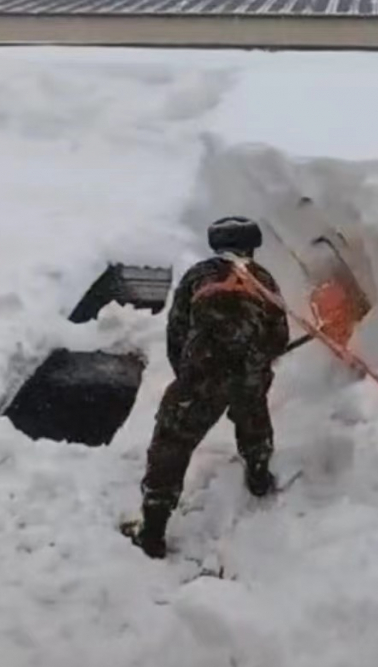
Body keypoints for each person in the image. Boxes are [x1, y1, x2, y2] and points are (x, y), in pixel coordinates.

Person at [125, 216, 291, 558]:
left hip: (203, 376)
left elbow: (177, 332)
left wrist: (189, 377)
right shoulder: (263, 280)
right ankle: (258, 474)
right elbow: (279, 336)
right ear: (253, 246)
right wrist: (257, 366)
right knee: (253, 418)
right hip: (249, 373)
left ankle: (153, 531)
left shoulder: (198, 276)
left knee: (171, 444)